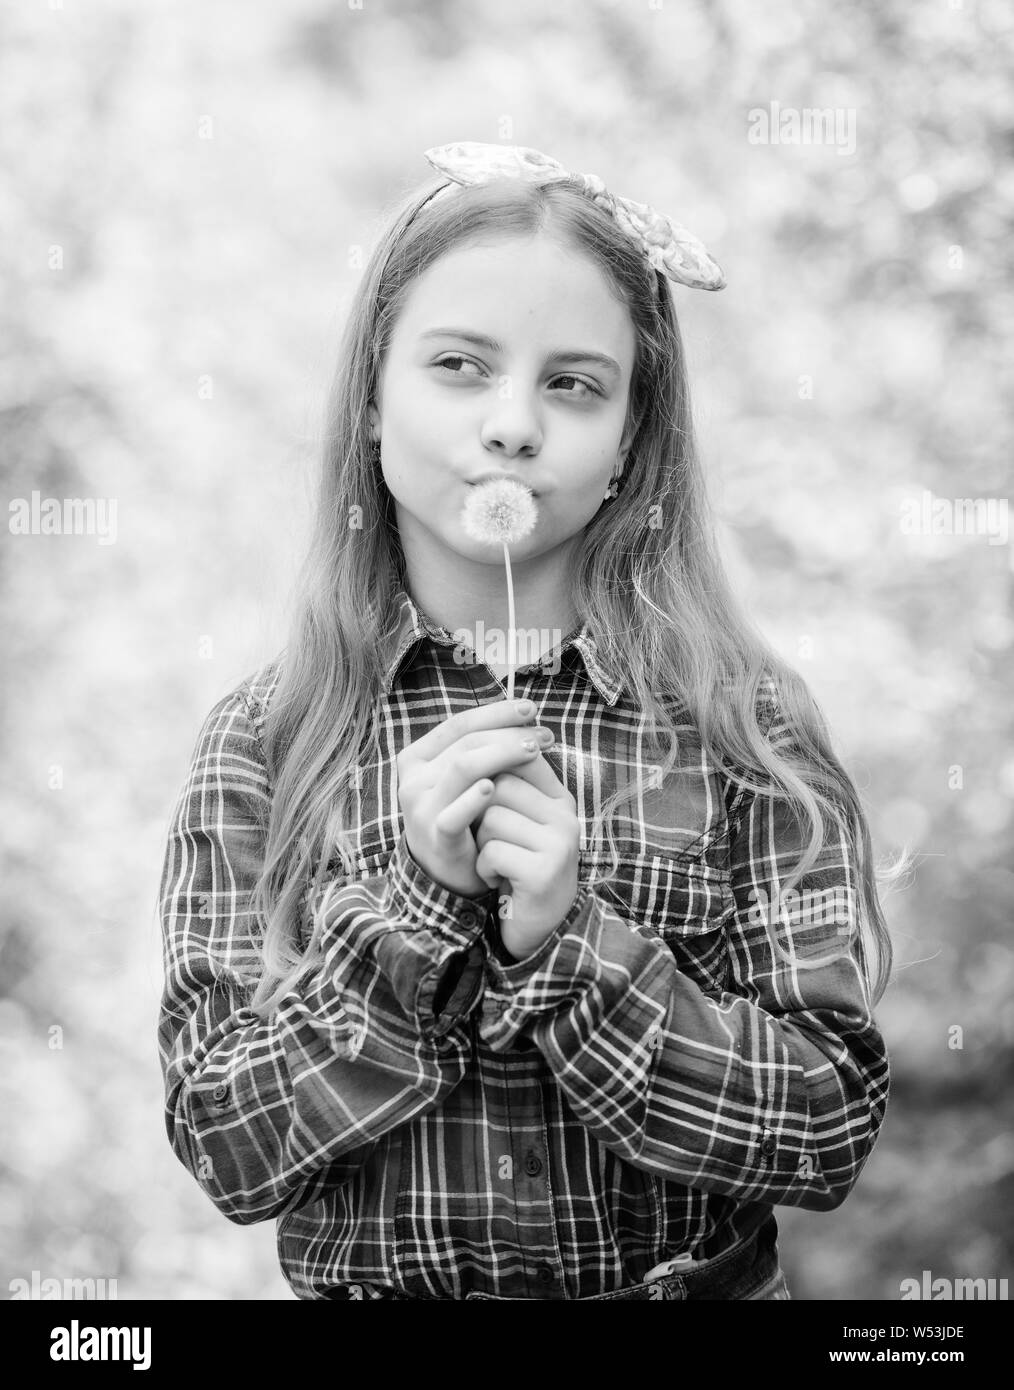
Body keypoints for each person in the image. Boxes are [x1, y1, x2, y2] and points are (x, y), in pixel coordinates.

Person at [156, 142, 892, 1301]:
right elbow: (223, 1143)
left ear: (630, 447)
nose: (512, 425)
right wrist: (409, 914)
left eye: (573, 383)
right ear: (371, 398)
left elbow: (826, 1126)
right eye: (459, 366)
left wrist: (572, 946)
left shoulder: (743, 726)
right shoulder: (267, 737)